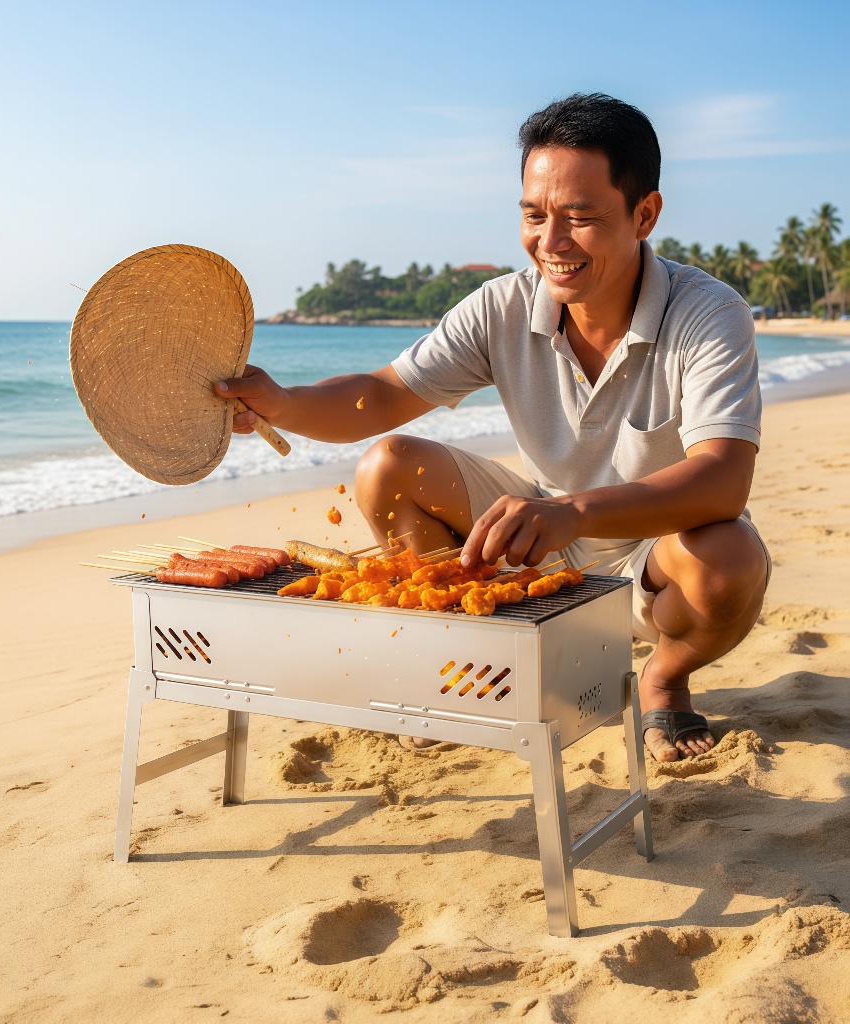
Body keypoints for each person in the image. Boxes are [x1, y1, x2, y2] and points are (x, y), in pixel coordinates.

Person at [215, 93, 770, 763]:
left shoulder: (709, 312)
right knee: (386, 465)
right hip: (542, 538)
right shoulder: (502, 307)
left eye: (582, 218)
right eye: (534, 216)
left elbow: (723, 480)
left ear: (644, 213)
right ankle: (465, 659)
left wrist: (573, 511)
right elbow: (381, 395)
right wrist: (281, 402)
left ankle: (664, 677)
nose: (551, 242)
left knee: (732, 557)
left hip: (652, 553)